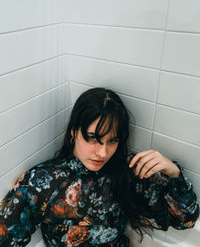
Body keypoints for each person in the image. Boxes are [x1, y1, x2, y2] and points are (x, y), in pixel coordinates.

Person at [0, 87, 199, 246]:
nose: (103, 153)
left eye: (113, 141)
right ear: (73, 132)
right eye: (93, 138)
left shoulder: (128, 173)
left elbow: (186, 221)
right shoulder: (41, 182)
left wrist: (174, 175)